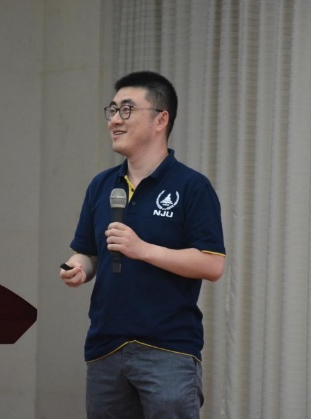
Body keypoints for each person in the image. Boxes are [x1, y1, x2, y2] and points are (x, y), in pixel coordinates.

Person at [60, 70, 226, 419]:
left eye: (127, 110)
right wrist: (79, 267)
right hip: (106, 347)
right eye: (112, 110)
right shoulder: (101, 185)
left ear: (160, 120)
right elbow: (88, 251)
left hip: (168, 350)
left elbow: (212, 264)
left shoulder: (191, 186)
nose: (114, 120)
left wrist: (143, 249)